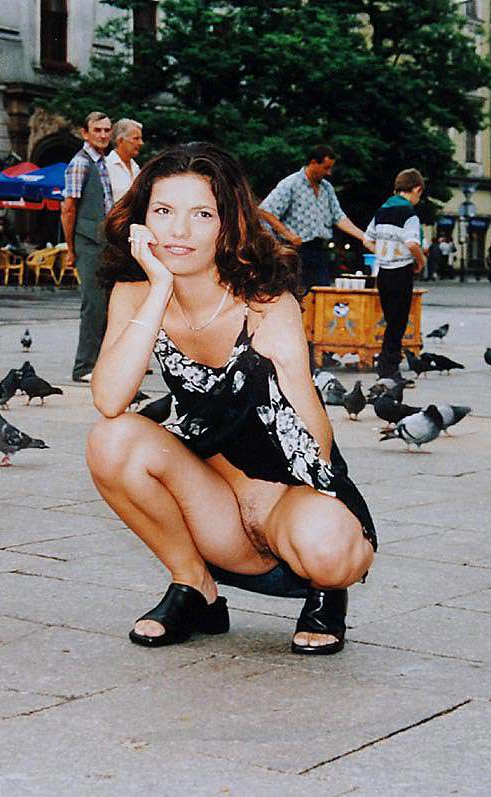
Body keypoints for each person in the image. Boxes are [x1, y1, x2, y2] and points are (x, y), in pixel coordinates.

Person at [86, 142, 376, 655]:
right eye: (163, 211)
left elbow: (317, 444)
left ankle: (326, 591)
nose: (179, 231)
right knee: (111, 440)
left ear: (228, 224)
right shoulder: (134, 292)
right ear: (142, 220)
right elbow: (110, 399)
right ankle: (194, 585)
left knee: (330, 550)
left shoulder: (265, 301)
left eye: (201, 214)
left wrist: (291, 371)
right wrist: (159, 288)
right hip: (211, 506)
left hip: (285, 501)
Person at [257, 145, 369, 291]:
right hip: (296, 250)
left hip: (320, 251)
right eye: (326, 167)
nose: (328, 172)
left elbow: (339, 217)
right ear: (313, 162)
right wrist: (288, 234)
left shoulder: (327, 188)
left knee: (322, 292)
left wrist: (364, 237)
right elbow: (265, 211)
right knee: (296, 291)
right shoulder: (290, 184)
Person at [62, 111, 114, 382]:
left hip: (103, 242)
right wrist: (71, 249)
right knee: (93, 305)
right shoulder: (81, 163)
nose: (103, 135)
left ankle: (101, 363)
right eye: (98, 130)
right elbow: (68, 209)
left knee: (105, 305)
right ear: (85, 133)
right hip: (88, 242)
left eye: (107, 130)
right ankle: (83, 366)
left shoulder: (101, 162)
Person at [363, 168, 426, 379]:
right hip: (401, 272)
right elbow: (412, 243)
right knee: (398, 323)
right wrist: (421, 261)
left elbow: (366, 239)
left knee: (391, 320)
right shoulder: (409, 214)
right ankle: (389, 369)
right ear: (416, 189)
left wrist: (382, 252)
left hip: (383, 272)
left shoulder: (381, 211)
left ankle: (386, 366)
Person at [105, 118, 143, 203]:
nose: (141, 143)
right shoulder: (106, 167)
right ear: (120, 141)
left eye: (140, 138)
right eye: (136, 138)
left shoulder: (136, 168)